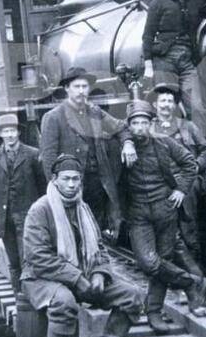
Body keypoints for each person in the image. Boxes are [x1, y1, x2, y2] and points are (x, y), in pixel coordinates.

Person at [22, 154, 143, 337]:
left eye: (76, 179)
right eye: (66, 179)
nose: (71, 185)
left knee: (132, 295)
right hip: (40, 278)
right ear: (55, 179)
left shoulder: (83, 208)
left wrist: (99, 273)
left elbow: (99, 247)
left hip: (82, 276)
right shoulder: (40, 210)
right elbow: (38, 258)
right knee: (64, 301)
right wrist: (77, 278)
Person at [122, 100, 206, 334]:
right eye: (135, 123)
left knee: (163, 258)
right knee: (149, 263)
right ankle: (192, 282)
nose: (140, 128)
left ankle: (153, 312)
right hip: (138, 212)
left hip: (165, 209)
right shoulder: (122, 148)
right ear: (129, 126)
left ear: (151, 124)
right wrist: (126, 143)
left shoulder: (164, 143)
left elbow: (190, 164)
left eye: (144, 122)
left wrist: (181, 189)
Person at [40, 66, 137, 238]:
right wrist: (57, 189)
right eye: (76, 87)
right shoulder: (53, 117)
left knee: (96, 230)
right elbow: (48, 158)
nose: (81, 91)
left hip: (98, 183)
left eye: (84, 87)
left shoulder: (95, 111)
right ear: (66, 89)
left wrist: (128, 143)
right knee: (74, 232)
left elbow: (121, 127)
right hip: (72, 185)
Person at [149, 82, 206, 266]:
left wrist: (195, 167)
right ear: (155, 105)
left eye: (170, 101)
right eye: (162, 101)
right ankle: (169, 268)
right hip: (161, 183)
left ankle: (194, 268)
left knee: (189, 226)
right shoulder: (149, 128)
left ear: (175, 105)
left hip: (187, 181)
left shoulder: (188, 127)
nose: (166, 105)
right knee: (164, 227)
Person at [0, 114, 45, 292]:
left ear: (18, 132)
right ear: (1, 135)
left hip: (28, 217)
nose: (10, 135)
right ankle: (18, 298)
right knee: (13, 262)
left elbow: (42, 186)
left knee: (28, 260)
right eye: (6, 131)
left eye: (13, 130)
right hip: (5, 219)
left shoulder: (33, 154)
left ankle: (31, 300)